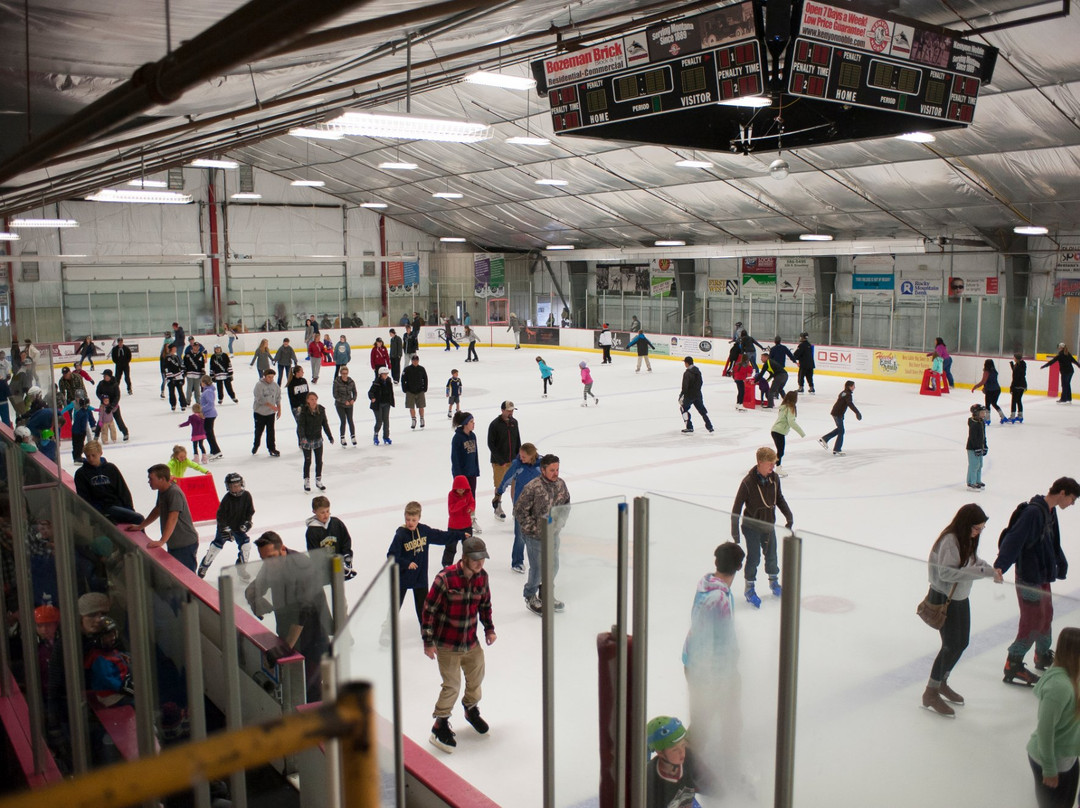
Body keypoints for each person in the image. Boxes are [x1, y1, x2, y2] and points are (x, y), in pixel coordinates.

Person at [995, 477, 1080, 686]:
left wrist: (1060, 563)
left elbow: (1052, 541)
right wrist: (1000, 565)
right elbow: (1014, 538)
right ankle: (1012, 664)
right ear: (1062, 493)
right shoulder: (1033, 512)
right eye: (1072, 498)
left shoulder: (1050, 511)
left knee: (1047, 615)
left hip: (1042, 575)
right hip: (1028, 577)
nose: (1072, 503)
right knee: (1033, 621)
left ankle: (1041, 655)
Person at [921, 503, 1001, 717]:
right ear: (966, 524)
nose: (978, 533)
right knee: (950, 645)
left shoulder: (966, 539)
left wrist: (990, 570)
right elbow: (947, 574)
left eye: (981, 529)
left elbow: (973, 562)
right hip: (945, 598)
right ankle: (931, 691)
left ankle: (942, 682)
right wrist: (982, 572)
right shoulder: (950, 540)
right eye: (977, 528)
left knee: (961, 643)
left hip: (959, 597)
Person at [681, 541, 745, 795]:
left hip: (705, 665)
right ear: (739, 567)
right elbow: (707, 640)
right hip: (711, 671)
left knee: (721, 720)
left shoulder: (707, 583)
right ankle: (689, 773)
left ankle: (706, 768)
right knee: (709, 723)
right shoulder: (718, 598)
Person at [422, 536, 496, 754]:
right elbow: (429, 610)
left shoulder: (482, 577)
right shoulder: (445, 579)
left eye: (483, 558)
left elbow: (485, 605)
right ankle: (440, 724)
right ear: (464, 558)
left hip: (471, 641)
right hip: (447, 643)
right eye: (475, 559)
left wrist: (489, 629)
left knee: (477, 677)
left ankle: (470, 708)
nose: (480, 563)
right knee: (452, 685)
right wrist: (428, 642)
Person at [245, 531, 332, 702]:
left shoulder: (302, 567)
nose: (268, 563)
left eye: (271, 557)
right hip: (290, 637)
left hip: (313, 639)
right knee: (295, 687)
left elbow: (303, 613)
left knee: (311, 689)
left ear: (283, 549)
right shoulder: (272, 563)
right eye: (264, 559)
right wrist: (256, 602)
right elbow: (253, 589)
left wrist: (285, 648)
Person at [730, 446, 793, 607]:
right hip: (751, 526)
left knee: (772, 555)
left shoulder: (774, 479)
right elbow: (737, 508)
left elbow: (779, 498)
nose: (773, 466)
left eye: (774, 463)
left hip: (768, 524)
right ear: (760, 463)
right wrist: (735, 533)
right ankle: (749, 588)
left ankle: (774, 582)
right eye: (770, 463)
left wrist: (788, 515)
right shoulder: (748, 482)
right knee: (754, 557)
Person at [1027, 627, 1080, 807]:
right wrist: (1049, 768)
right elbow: (1045, 730)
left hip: (1068, 757)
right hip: (1051, 761)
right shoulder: (1059, 687)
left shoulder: (1074, 675)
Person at [515, 454, 571, 615]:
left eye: (557, 469)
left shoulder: (561, 484)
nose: (556, 473)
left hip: (553, 534)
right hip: (534, 537)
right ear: (543, 470)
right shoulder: (533, 487)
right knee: (538, 568)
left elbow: (566, 505)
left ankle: (546, 593)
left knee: (553, 566)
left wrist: (560, 523)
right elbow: (519, 511)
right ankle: (530, 595)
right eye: (552, 470)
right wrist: (534, 529)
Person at [387, 502, 454, 630]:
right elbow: (391, 555)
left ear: (419, 518)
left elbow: (441, 537)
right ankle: (387, 630)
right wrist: (406, 564)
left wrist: (460, 535)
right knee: (395, 606)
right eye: (407, 519)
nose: (410, 522)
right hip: (402, 577)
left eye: (413, 520)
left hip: (419, 578)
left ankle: (426, 629)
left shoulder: (424, 531)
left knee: (423, 606)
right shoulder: (400, 535)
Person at [124, 465, 200, 572]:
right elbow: (158, 509)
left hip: (184, 544)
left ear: (162, 479)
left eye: (151, 479)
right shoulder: (162, 491)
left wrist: (162, 541)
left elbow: (173, 518)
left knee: (186, 577)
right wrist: (141, 526)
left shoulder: (174, 493)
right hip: (174, 543)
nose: (149, 482)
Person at [197, 473, 255, 579]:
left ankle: (241, 568)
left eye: (237, 485)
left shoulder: (247, 495)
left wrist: (247, 522)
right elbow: (220, 516)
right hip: (226, 526)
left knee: (246, 546)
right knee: (215, 547)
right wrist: (224, 528)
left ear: (241, 484)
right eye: (232, 486)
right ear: (228, 487)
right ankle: (204, 566)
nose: (235, 488)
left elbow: (250, 511)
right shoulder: (227, 499)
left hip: (238, 527)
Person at [74, 441, 143, 524]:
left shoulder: (111, 468)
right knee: (139, 518)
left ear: (100, 453)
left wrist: (129, 508)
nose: (91, 459)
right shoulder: (81, 473)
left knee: (137, 518)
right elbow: (84, 497)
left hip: (116, 505)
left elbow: (122, 490)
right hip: (101, 509)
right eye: (88, 456)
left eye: (93, 455)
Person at [645, 715, 697, 806]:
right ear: (660, 752)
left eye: (683, 746)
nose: (682, 753)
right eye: (675, 750)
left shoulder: (687, 757)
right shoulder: (649, 784)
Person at [305, 495, 355, 580]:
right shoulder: (312, 531)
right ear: (314, 511)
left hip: (339, 565)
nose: (326, 515)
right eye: (322, 512)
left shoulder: (337, 523)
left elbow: (346, 540)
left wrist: (346, 555)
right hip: (324, 571)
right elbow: (314, 552)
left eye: (327, 511)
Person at [488, 401, 521, 522]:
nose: (511, 413)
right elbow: (491, 444)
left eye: (512, 410)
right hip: (499, 462)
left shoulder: (514, 422)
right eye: (508, 410)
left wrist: (519, 457)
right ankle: (497, 506)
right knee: (499, 485)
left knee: (515, 484)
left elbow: (517, 440)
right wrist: (500, 461)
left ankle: (516, 508)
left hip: (513, 460)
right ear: (502, 410)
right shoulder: (495, 425)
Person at [297, 391, 333, 492]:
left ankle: (318, 480)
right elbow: (301, 426)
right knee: (308, 461)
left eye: (315, 399)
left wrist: (330, 436)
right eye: (312, 399)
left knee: (319, 461)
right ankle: (306, 480)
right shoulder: (304, 411)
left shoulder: (321, 410)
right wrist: (302, 437)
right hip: (307, 439)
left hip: (317, 438)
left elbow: (325, 424)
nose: (314, 401)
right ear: (308, 400)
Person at [818, 380, 862, 456]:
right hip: (837, 414)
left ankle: (825, 439)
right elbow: (850, 404)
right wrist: (857, 412)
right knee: (841, 431)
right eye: (853, 386)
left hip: (836, 413)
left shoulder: (843, 392)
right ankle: (837, 449)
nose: (854, 387)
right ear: (849, 386)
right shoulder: (848, 394)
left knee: (839, 429)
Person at [450, 413, 481, 514]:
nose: (473, 423)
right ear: (465, 423)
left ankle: (471, 517)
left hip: (472, 472)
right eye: (471, 421)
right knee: (461, 498)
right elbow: (455, 459)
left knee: (471, 496)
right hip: (462, 475)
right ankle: (461, 517)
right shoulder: (457, 438)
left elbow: (475, 455)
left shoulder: (473, 436)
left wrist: (476, 470)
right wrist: (458, 476)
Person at [770, 391, 805, 477]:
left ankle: (774, 467)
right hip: (779, 431)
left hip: (775, 430)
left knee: (780, 451)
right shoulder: (790, 408)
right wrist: (801, 432)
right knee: (780, 452)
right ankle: (777, 468)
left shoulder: (783, 406)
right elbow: (791, 422)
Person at [445, 475, 476, 567]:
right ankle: (447, 563)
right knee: (451, 546)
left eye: (463, 489)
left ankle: (468, 562)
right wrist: (462, 502)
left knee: (468, 546)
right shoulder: (451, 495)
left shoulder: (468, 494)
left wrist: (471, 507)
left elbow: (472, 502)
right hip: (454, 526)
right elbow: (451, 510)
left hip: (466, 525)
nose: (461, 491)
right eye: (459, 489)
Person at [252, 367, 282, 457]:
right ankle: (256, 445)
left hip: (270, 413)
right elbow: (259, 398)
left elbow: (278, 398)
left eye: (272, 377)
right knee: (259, 431)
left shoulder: (275, 386)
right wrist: (271, 406)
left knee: (271, 431)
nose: (271, 379)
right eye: (269, 377)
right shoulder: (259, 385)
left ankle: (272, 448)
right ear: (264, 376)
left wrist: (279, 410)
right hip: (259, 413)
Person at [679, 356, 712, 434]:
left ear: (687, 363)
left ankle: (689, 427)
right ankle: (709, 426)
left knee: (683, 409)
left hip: (689, 395)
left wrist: (682, 395)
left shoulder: (687, 373)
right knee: (702, 411)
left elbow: (685, 386)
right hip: (697, 394)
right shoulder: (697, 371)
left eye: (685, 363)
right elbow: (701, 382)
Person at [95, 369, 130, 441]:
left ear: (110, 376)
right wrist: (102, 399)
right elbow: (98, 392)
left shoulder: (114, 384)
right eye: (104, 376)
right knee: (101, 420)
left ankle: (125, 433)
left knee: (118, 419)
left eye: (106, 376)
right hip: (104, 406)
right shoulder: (101, 383)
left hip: (113, 406)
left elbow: (117, 396)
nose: (105, 377)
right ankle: (96, 435)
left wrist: (112, 406)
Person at [972, 359, 1007, 423]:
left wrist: (975, 386)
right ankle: (1003, 416)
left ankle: (987, 419)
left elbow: (983, 381)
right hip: (997, 389)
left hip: (990, 390)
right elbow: (990, 381)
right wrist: (985, 387)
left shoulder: (986, 371)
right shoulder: (994, 371)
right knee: (994, 403)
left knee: (987, 405)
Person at [65, 394, 97, 462]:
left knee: (76, 444)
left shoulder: (81, 412)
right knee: (79, 445)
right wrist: (83, 431)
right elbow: (82, 423)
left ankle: (77, 456)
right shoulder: (83, 413)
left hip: (75, 431)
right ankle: (77, 457)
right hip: (79, 432)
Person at [368, 366, 395, 445]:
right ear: (380, 374)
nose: (386, 375)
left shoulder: (389, 381)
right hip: (378, 404)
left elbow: (390, 392)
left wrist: (391, 401)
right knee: (379, 421)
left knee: (386, 420)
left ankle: (386, 436)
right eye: (384, 374)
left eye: (386, 374)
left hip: (386, 403)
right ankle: (376, 435)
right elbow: (370, 392)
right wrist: (372, 398)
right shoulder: (376, 382)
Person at [197, 375, 222, 460]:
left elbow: (210, 404)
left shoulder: (208, 392)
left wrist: (201, 410)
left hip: (209, 415)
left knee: (209, 434)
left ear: (204, 383)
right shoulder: (208, 390)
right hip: (209, 414)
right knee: (209, 433)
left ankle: (216, 451)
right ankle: (214, 450)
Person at [401, 354, 429, 429]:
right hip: (410, 391)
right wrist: (404, 389)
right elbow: (403, 379)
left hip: (420, 390)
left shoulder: (421, 369)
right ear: (412, 361)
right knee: (411, 406)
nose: (415, 362)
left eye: (416, 360)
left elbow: (425, 378)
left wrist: (425, 388)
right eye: (414, 360)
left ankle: (422, 418)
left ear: (418, 361)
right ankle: (413, 419)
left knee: (421, 406)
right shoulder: (407, 369)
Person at [332, 365, 357, 446]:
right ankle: (342, 437)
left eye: (346, 373)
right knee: (343, 420)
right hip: (340, 405)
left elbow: (355, 392)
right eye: (343, 373)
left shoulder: (351, 381)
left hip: (349, 404)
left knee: (350, 420)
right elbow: (335, 395)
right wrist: (343, 401)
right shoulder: (336, 382)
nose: (345, 375)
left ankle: (353, 436)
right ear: (340, 373)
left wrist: (353, 399)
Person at [766, 336, 796, 405]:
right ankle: (777, 394)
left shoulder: (773, 349)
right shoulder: (784, 347)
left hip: (775, 367)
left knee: (776, 380)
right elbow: (790, 355)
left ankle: (775, 394)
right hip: (781, 366)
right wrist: (794, 361)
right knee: (778, 381)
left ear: (775, 341)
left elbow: (770, 358)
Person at [966, 404, 988, 490]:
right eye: (982, 413)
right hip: (972, 448)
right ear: (976, 413)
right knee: (974, 465)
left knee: (980, 465)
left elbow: (983, 435)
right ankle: (971, 482)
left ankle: (978, 480)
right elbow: (973, 438)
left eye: (984, 412)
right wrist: (976, 448)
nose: (984, 414)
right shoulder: (974, 424)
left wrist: (985, 446)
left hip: (980, 447)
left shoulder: (981, 422)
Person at [1009, 352, 1027, 423]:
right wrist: (1012, 366)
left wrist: (1011, 387)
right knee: (1019, 400)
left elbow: (1015, 377)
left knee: (1014, 401)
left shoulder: (1017, 367)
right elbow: (1019, 372)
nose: (1013, 359)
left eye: (1014, 357)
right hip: (1022, 385)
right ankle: (1020, 416)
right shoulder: (1023, 364)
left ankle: (1012, 416)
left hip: (1017, 386)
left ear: (1016, 358)